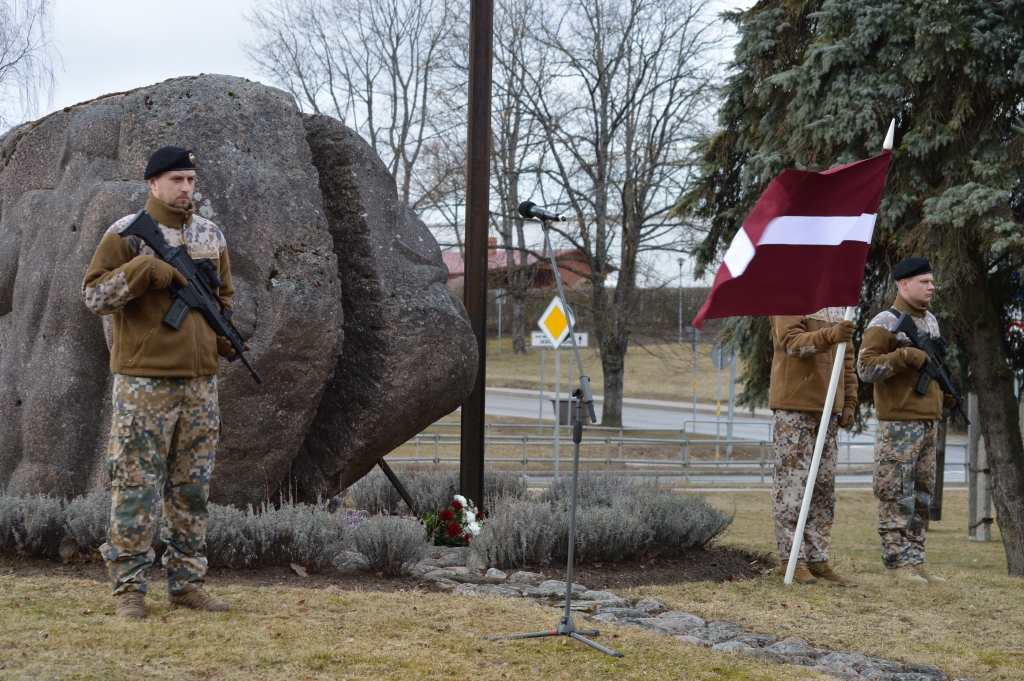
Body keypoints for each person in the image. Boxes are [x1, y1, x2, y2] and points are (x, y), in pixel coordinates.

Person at [82, 146, 237, 617]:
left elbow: (224, 300)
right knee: (134, 485)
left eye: (190, 179)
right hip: (143, 382)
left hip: (200, 385)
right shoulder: (126, 233)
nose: (185, 188)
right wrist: (143, 271)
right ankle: (128, 589)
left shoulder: (210, 235)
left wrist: (223, 340)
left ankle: (188, 583)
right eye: (175, 180)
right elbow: (94, 296)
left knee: (192, 488)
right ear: (152, 184)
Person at [857, 256, 953, 585]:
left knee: (922, 493)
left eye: (931, 281)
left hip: (928, 421)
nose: (931, 287)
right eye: (924, 282)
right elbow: (865, 368)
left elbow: (933, 366)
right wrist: (903, 356)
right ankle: (896, 561)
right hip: (899, 423)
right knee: (895, 490)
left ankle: (915, 558)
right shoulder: (886, 320)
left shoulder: (931, 322)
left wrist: (946, 394)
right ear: (904, 284)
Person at [769, 308, 857, 585]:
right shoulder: (789, 295)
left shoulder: (839, 305)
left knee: (822, 491)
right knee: (792, 488)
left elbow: (848, 358)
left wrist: (850, 399)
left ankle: (817, 558)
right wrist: (832, 334)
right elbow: (791, 342)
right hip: (794, 406)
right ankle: (791, 559)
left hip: (829, 407)